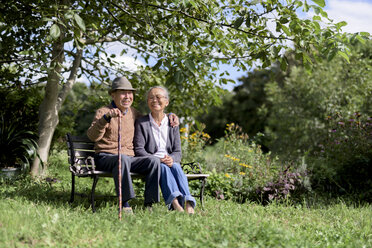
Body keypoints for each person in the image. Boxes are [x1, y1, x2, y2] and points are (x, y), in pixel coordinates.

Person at [87, 77, 178, 212]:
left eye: (130, 93)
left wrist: (170, 115)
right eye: (123, 93)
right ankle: (125, 204)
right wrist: (106, 118)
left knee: (153, 161)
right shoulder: (103, 112)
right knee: (121, 158)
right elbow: (92, 136)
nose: (127, 97)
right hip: (106, 157)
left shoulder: (133, 112)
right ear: (113, 95)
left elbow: (152, 117)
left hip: (129, 159)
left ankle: (149, 204)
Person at [134, 86, 196, 214]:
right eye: (151, 98)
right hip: (151, 163)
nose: (154, 100)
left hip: (169, 161)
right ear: (147, 102)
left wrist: (172, 158)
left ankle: (188, 203)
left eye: (158, 97)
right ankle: (176, 204)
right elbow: (139, 149)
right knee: (162, 167)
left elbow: (178, 151)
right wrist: (157, 159)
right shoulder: (142, 122)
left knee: (176, 167)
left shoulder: (172, 122)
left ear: (166, 102)